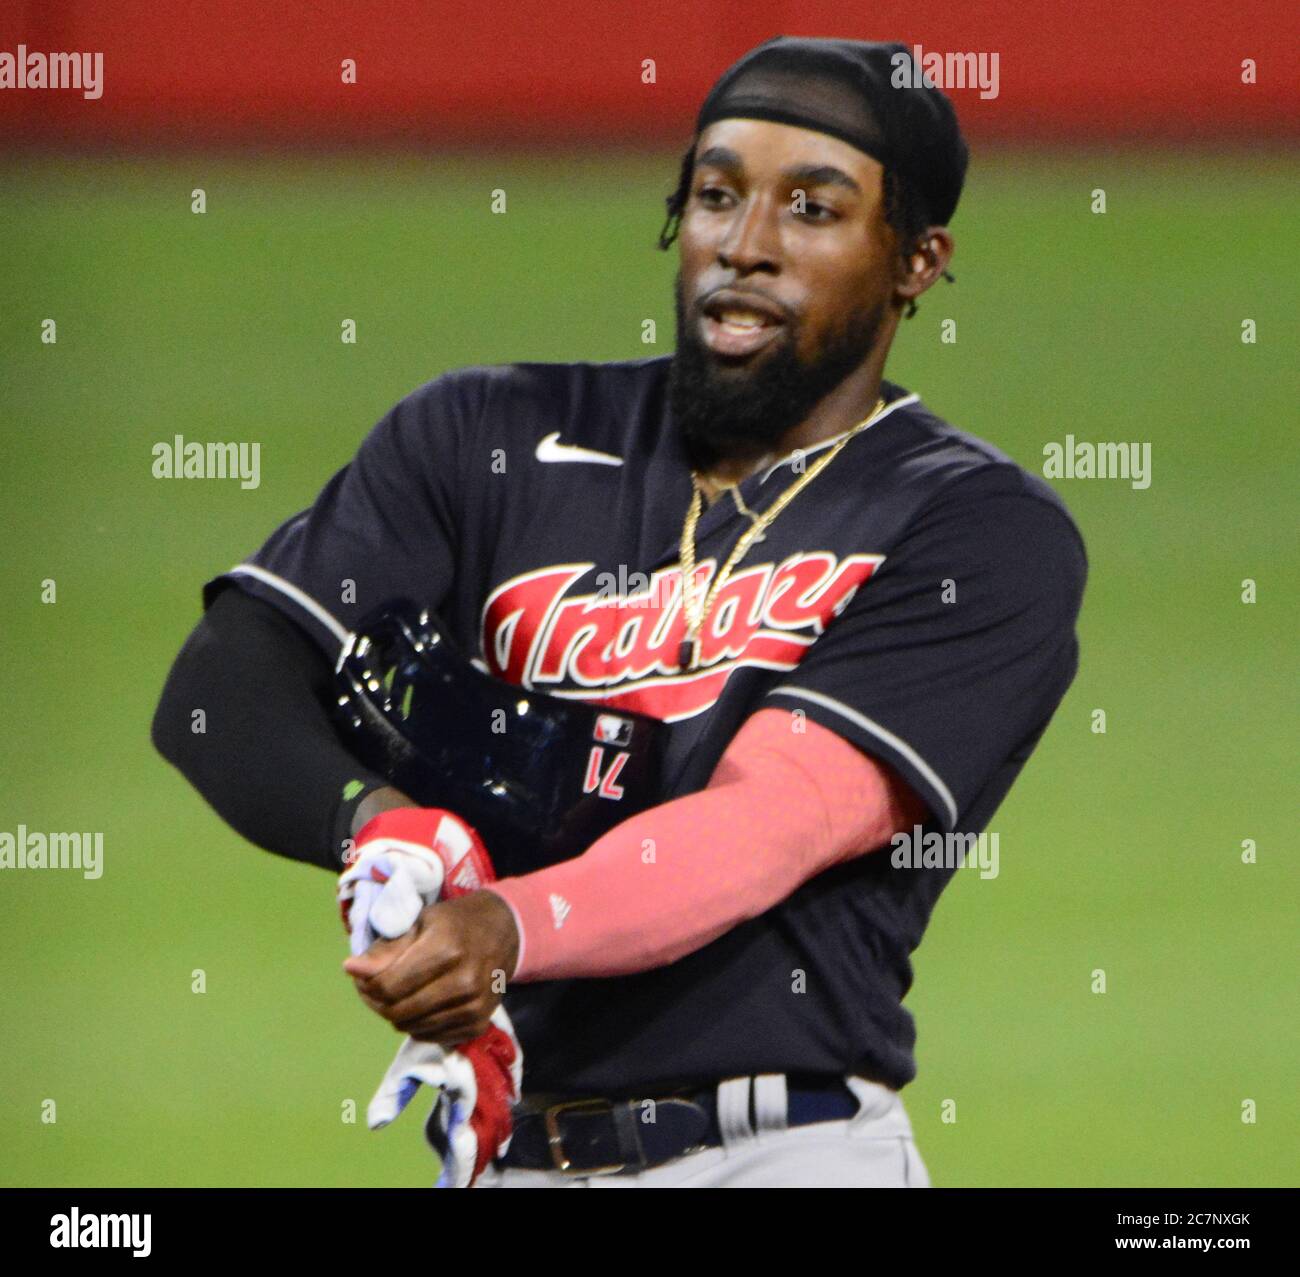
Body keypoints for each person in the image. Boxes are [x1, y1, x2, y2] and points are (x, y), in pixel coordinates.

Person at [153, 36, 1086, 1187]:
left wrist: (504, 926)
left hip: (782, 1154)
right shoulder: (484, 436)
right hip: (508, 1146)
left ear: (915, 261)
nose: (744, 246)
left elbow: (764, 826)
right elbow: (217, 690)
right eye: (715, 193)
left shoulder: (974, 528)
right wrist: (377, 821)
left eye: (811, 208)